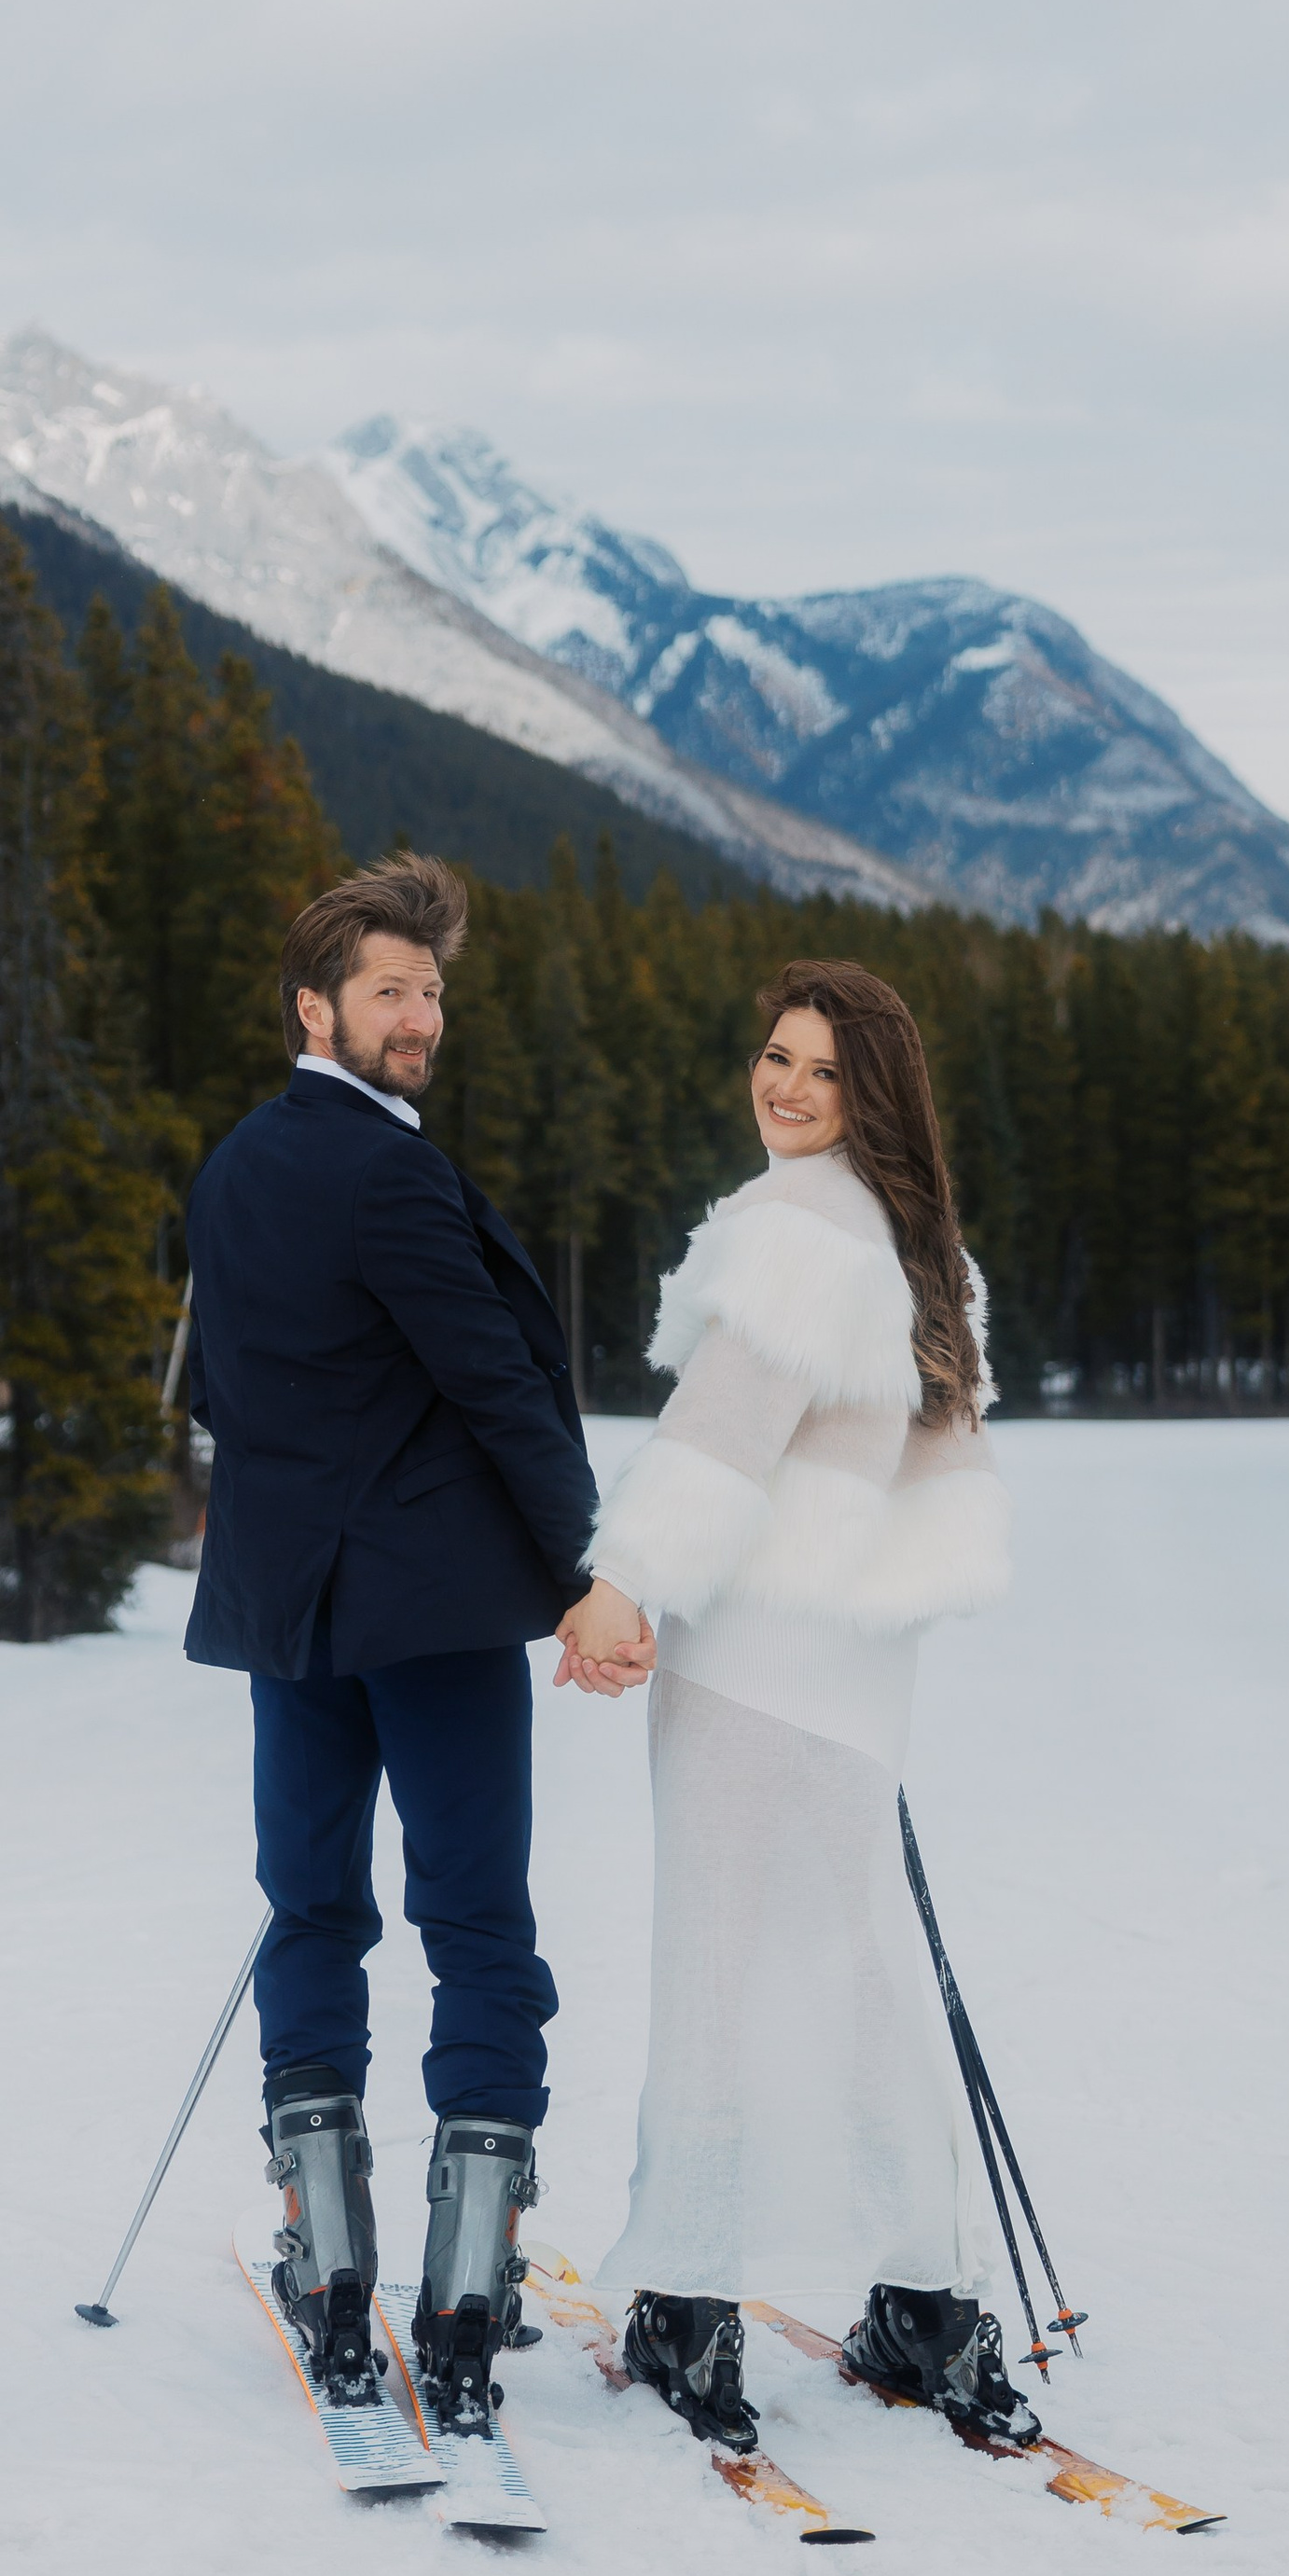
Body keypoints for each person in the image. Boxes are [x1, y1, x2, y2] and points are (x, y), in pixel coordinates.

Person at [554, 958, 1027, 2448]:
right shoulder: (926, 1255)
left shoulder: (790, 1235)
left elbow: (719, 1438)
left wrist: (624, 1578)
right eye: (773, 1055)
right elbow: (941, 1489)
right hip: (857, 1674)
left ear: (870, 1092)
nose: (786, 1087)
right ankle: (928, 2304)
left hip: (748, 1656)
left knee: (715, 1966)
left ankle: (689, 2307)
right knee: (868, 1971)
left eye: (822, 1069)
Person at [182, 854, 605, 2436]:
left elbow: (226, 1393)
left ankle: (333, 2255)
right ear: (318, 1007)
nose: (422, 1015)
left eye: (432, 989)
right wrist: (587, 1568)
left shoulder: (231, 1170)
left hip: (292, 1613)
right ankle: (469, 2294)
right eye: (390, 991)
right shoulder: (389, 1172)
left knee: (311, 1908)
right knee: (479, 1921)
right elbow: (496, 1379)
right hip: (429, 1617)